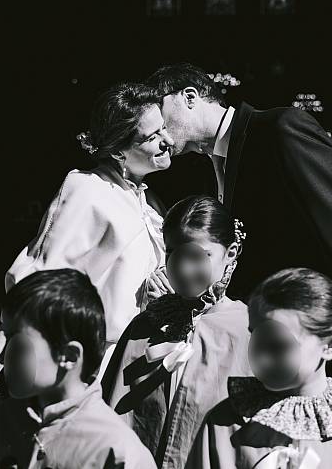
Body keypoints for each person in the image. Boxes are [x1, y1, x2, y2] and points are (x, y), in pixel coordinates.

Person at [146, 63, 332, 401]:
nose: (159, 131)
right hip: (259, 349)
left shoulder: (281, 129)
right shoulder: (209, 166)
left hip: (312, 343)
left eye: (160, 113)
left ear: (189, 97)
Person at [0, 82, 174, 411]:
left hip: (142, 366)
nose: (168, 141)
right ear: (118, 151)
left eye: (164, 129)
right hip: (98, 374)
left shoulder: (149, 202)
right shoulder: (88, 190)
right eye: (152, 136)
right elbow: (38, 285)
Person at [186, 268, 332, 469]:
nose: (261, 358)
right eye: (256, 338)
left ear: (330, 346)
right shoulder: (225, 423)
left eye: (279, 346)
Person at [102, 195, 251, 469]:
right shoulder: (146, 327)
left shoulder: (246, 331)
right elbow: (115, 419)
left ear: (230, 252)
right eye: (172, 253)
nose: (181, 269)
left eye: (196, 256)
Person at [0, 269, 157, 469]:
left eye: (19, 345)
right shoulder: (1, 422)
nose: (0, 357)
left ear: (69, 356)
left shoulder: (117, 451)